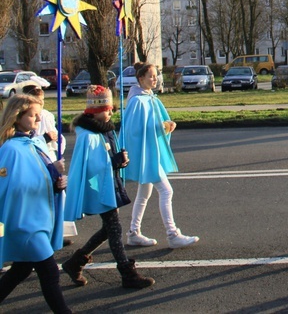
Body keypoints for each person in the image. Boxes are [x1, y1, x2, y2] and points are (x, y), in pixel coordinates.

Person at [62, 85, 155, 289]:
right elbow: (91, 165)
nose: (111, 112)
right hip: (98, 187)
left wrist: (120, 160)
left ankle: (75, 262)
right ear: (96, 112)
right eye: (107, 109)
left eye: (112, 108)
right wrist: (113, 161)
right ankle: (127, 273)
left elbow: (108, 157)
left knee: (108, 229)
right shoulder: (87, 134)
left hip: (109, 183)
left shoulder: (106, 128)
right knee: (114, 228)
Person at [0, 94, 72, 314]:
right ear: (17, 116)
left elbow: (43, 176)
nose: (37, 120)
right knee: (50, 271)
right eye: (32, 115)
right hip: (24, 220)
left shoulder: (36, 142)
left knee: (20, 270)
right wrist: (47, 176)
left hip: (40, 217)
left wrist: (57, 179)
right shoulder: (10, 149)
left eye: (39, 115)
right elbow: (9, 187)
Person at [121, 62, 199, 248]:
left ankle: (134, 232)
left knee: (144, 193)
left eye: (155, 76)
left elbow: (153, 126)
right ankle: (172, 234)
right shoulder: (138, 101)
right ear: (141, 78)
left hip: (150, 153)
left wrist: (166, 126)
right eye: (151, 76)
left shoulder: (150, 98)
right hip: (147, 155)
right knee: (166, 190)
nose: (154, 79)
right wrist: (160, 127)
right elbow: (133, 131)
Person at [22, 81, 77, 246]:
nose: (38, 116)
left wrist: (57, 143)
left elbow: (56, 136)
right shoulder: (18, 141)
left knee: (58, 197)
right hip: (38, 159)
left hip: (49, 156)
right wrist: (45, 138)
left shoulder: (46, 115)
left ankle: (57, 231)